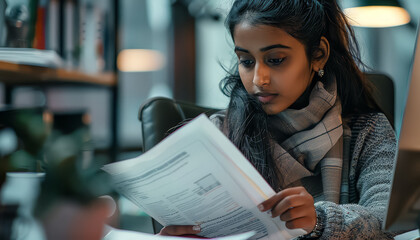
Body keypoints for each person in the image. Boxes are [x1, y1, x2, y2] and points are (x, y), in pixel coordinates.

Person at [159, 0, 396, 239]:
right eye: (247, 61)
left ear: (318, 55)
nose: (258, 79)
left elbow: (390, 224)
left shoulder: (369, 132)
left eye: (275, 60)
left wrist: (318, 220)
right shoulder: (220, 135)